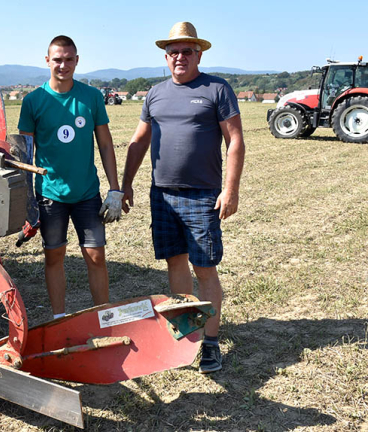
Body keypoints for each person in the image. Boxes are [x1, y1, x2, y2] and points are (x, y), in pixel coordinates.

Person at [121, 22, 245, 373]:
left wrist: (230, 189)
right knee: (175, 264)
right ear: (166, 56)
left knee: (204, 268)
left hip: (203, 195)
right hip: (162, 195)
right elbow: (140, 140)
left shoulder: (217, 89)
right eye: (173, 52)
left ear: (198, 54)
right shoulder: (155, 93)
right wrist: (126, 184)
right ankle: (187, 336)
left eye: (186, 51)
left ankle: (211, 343)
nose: (180, 57)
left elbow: (235, 140)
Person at [18, 35, 123, 320]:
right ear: (47, 61)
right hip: (50, 196)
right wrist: (27, 201)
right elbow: (25, 155)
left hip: (87, 193)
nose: (62, 65)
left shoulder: (91, 97)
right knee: (54, 257)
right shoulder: (33, 101)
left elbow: (104, 144)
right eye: (57, 59)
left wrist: (115, 189)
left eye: (68, 59)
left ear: (77, 61)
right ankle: (59, 319)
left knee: (96, 257)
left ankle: (104, 317)